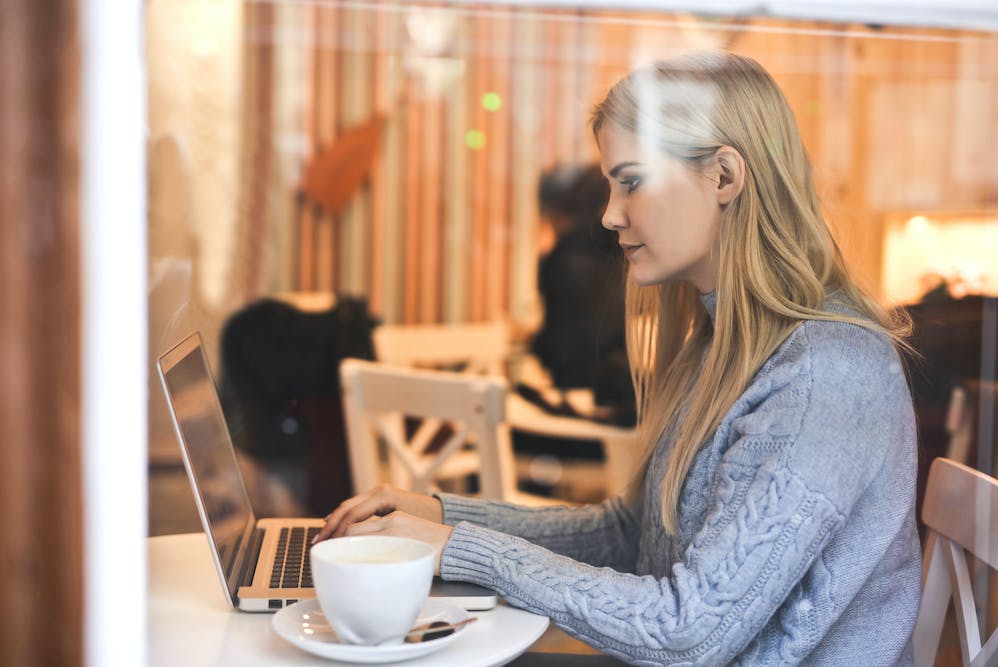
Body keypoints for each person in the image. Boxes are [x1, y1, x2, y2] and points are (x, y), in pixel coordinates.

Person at [314, 51, 921, 666]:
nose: (609, 214)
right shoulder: (721, 343)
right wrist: (444, 518)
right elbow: (632, 536)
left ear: (724, 177)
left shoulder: (825, 374)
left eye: (631, 181)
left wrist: (460, 549)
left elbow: (687, 632)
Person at [525, 163, 635, 425]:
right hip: (616, 403)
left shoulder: (560, 260)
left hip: (577, 413)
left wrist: (533, 343)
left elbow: (562, 349)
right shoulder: (622, 258)